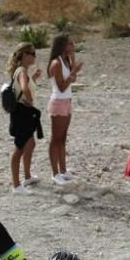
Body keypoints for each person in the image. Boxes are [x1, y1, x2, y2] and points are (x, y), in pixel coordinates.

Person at [47, 34, 84, 186]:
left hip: (66, 101)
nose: (72, 47)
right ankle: (55, 173)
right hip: (58, 102)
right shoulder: (56, 63)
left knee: (63, 138)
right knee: (55, 138)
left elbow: (71, 80)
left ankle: (63, 170)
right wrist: (73, 71)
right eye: (69, 44)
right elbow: (62, 87)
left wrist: (73, 65)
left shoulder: (65, 62)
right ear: (62, 45)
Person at [8, 43, 43, 195]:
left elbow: (25, 86)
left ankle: (27, 176)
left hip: (22, 112)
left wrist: (33, 78)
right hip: (22, 112)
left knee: (30, 143)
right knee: (20, 147)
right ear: (24, 55)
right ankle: (16, 185)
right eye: (32, 53)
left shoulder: (22, 71)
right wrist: (29, 100)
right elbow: (24, 89)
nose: (34, 56)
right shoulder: (21, 71)